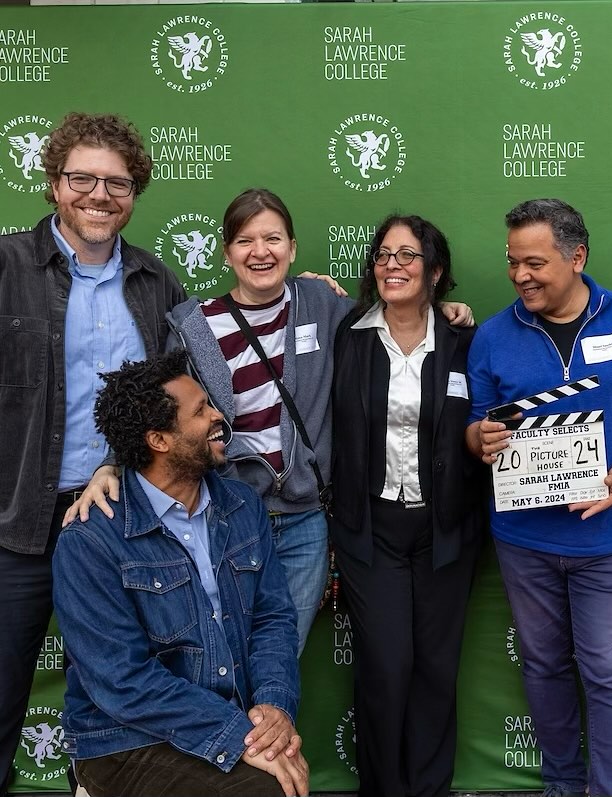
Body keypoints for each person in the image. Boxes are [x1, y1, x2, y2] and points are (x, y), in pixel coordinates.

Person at [72, 188, 472, 654]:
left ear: (293, 247)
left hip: (305, 524)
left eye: (273, 239)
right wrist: (110, 464)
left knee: (280, 662)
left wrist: (437, 311)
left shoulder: (322, 303)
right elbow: (155, 407)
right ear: (226, 253)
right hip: (225, 518)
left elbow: (393, 315)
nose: (260, 252)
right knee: (223, 659)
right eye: (245, 241)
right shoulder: (193, 324)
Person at [0, 111, 186, 795]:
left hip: (116, 519)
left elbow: (184, 395)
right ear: (54, 183)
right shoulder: (7, 264)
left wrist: (311, 294)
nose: (100, 195)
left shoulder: (154, 281)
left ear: (134, 192)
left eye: (118, 182)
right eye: (83, 178)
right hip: (14, 522)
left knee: (116, 701)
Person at [466, 198, 612, 797]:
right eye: (511, 263)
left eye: (534, 262)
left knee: (608, 672)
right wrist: (481, 438)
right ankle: (560, 784)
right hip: (525, 540)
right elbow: (477, 424)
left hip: (609, 536)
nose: (520, 275)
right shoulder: (494, 336)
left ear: (577, 257)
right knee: (545, 669)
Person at [52, 351, 308, 797]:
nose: (218, 417)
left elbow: (273, 620)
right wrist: (235, 735)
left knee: (281, 781)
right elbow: (122, 681)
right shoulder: (91, 540)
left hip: (232, 718)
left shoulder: (241, 505)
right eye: (201, 411)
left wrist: (272, 713)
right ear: (159, 440)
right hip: (125, 741)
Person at [329, 214, 484, 797]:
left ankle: (428, 788)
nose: (393, 264)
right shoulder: (348, 335)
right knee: (387, 668)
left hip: (446, 528)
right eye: (384, 254)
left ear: (435, 271)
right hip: (370, 529)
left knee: (436, 670)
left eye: (409, 255)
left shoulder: (466, 340)